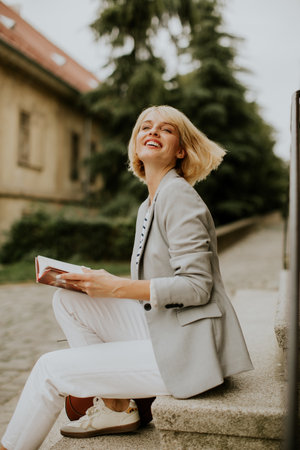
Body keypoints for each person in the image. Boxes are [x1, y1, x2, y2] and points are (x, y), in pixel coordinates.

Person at [1, 105, 253, 450]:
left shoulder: (178, 196)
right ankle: (117, 406)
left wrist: (116, 287)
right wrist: (105, 281)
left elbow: (197, 287)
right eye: (145, 127)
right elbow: (159, 280)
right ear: (135, 145)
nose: (152, 132)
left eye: (166, 130)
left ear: (180, 150)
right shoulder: (149, 204)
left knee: (48, 369)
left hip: (189, 349)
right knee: (69, 298)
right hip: (167, 328)